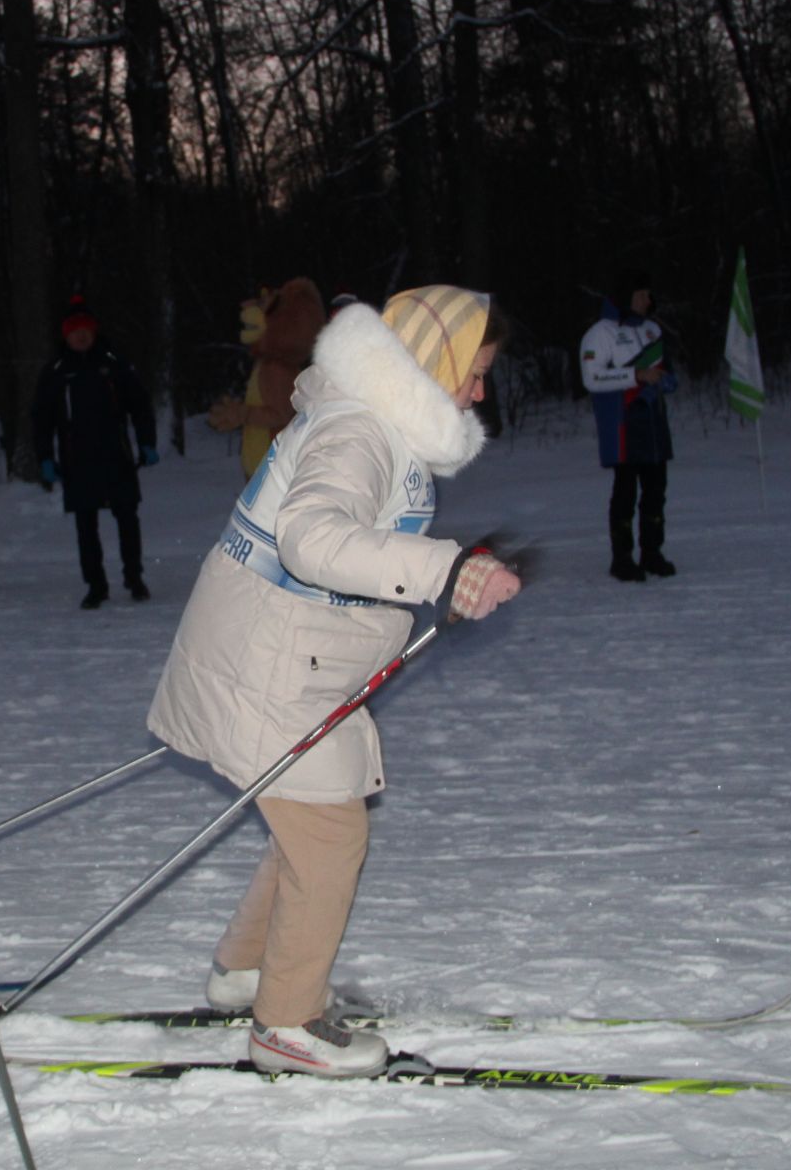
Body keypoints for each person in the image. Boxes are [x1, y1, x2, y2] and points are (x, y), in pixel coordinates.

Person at [146, 285, 522, 1077]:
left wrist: (452, 566)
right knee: (328, 834)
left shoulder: (375, 423)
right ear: (431, 363)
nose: (480, 392)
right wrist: (444, 567)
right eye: (474, 372)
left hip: (288, 655)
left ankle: (247, 972)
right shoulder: (358, 431)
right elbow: (313, 539)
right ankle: (284, 1025)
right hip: (268, 661)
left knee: (316, 816)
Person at [31, 296, 158, 608]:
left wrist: (146, 442)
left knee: (127, 518)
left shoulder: (114, 364)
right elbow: (41, 419)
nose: (81, 335)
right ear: (66, 335)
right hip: (78, 461)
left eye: (85, 329)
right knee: (85, 527)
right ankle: (96, 585)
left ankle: (134, 577)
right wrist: (45, 457)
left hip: (116, 456)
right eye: (75, 331)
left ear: (94, 330)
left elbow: (140, 406)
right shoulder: (56, 371)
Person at [580, 267, 678, 580]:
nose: (645, 300)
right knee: (625, 493)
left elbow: (665, 367)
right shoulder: (600, 333)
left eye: (647, 294)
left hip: (653, 424)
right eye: (639, 294)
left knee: (656, 491)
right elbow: (592, 378)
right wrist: (635, 375)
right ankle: (621, 558)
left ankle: (652, 552)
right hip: (623, 426)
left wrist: (666, 380)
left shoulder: (652, 330)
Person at [206, 277, 329, 479]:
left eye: (266, 308)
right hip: (264, 463)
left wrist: (242, 413)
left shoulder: (277, 369)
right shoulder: (269, 365)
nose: (250, 309)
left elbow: (280, 414)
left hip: (272, 466)